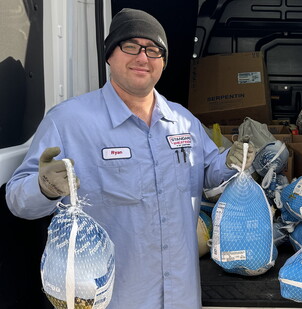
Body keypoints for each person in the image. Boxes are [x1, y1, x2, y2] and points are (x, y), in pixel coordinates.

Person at [5, 8, 254, 309]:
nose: (142, 57)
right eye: (131, 46)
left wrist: (229, 162)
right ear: (110, 55)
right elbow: (18, 200)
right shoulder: (69, 122)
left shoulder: (184, 122)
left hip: (181, 295)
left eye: (153, 49)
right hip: (115, 298)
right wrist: (43, 188)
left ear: (163, 61)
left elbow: (208, 174)